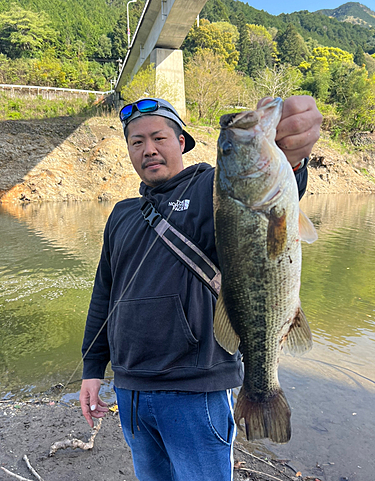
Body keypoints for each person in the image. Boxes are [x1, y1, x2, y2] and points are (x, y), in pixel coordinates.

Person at [79, 96, 322, 481]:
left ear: (182, 142)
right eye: (136, 142)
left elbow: (264, 192)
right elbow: (103, 296)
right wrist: (92, 369)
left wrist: (292, 156)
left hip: (195, 393)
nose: (149, 149)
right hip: (130, 390)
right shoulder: (121, 214)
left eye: (159, 137)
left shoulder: (212, 187)